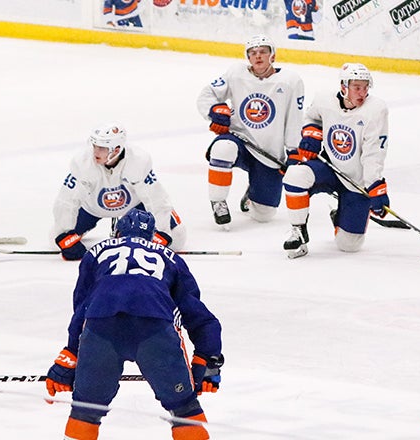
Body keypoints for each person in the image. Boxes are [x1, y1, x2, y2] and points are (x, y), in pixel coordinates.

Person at [45, 209, 223, 440]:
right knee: (185, 409)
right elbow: (200, 317)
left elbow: (83, 309)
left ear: (117, 233)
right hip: (154, 329)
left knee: (85, 411)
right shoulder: (171, 258)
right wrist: (208, 360)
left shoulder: (95, 254)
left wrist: (71, 355)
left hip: (102, 328)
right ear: (151, 236)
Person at [280, 63, 390, 258]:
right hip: (328, 169)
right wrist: (312, 135)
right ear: (343, 87)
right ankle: (298, 230)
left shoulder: (375, 110)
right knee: (295, 175)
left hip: (355, 181)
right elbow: (312, 118)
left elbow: (373, 153)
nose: (362, 92)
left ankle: (339, 215)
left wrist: (374, 186)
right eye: (357, 87)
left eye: (365, 87)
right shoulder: (324, 100)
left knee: (349, 246)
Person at [198, 34, 305, 229]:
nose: (258, 56)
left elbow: (295, 119)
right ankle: (218, 202)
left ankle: (252, 193)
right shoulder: (236, 73)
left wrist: (294, 150)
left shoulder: (290, 81)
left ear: (272, 55)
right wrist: (214, 112)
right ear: (248, 57)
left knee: (263, 215)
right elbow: (207, 94)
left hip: (269, 153)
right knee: (223, 148)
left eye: (263, 52)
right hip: (239, 140)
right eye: (253, 53)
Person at [52, 122, 185, 261]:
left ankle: (125, 227)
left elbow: (156, 198)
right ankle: (123, 231)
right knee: (54, 241)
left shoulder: (138, 160)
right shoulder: (82, 162)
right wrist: (65, 235)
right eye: (95, 146)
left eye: (102, 148)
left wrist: (162, 232)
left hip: (134, 208)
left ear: (116, 149)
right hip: (92, 208)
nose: (95, 152)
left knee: (178, 238)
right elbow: (66, 200)